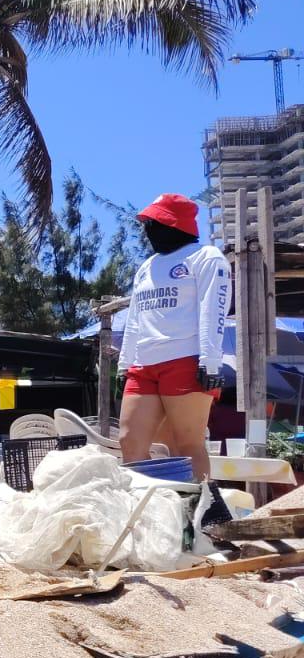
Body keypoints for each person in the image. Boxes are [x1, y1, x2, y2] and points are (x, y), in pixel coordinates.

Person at [118, 193, 229, 479]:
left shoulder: (206, 256)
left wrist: (210, 361)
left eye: (155, 223)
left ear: (175, 224)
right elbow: (135, 318)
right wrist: (123, 363)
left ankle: (197, 514)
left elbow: (213, 309)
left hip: (186, 360)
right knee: (129, 442)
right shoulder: (146, 266)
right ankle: (151, 509)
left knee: (186, 445)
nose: (149, 230)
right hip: (143, 365)